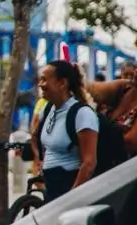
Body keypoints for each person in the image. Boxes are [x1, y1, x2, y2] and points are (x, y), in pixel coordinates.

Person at [31, 60, 99, 203]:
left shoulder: (82, 114)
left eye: (44, 79)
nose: (40, 84)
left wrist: (71, 198)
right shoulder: (47, 110)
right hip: (51, 188)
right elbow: (35, 136)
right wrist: (39, 161)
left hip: (70, 189)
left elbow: (89, 163)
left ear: (62, 83)